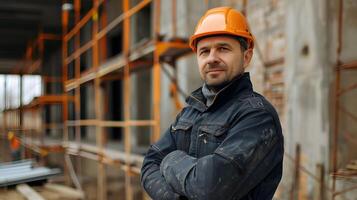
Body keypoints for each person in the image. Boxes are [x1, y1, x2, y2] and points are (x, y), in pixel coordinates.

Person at [141, 7, 284, 200]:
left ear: (246, 56)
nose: (212, 58)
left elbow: (209, 189)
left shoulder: (257, 117)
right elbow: (149, 163)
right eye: (204, 51)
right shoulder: (190, 112)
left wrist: (170, 159)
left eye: (223, 48)